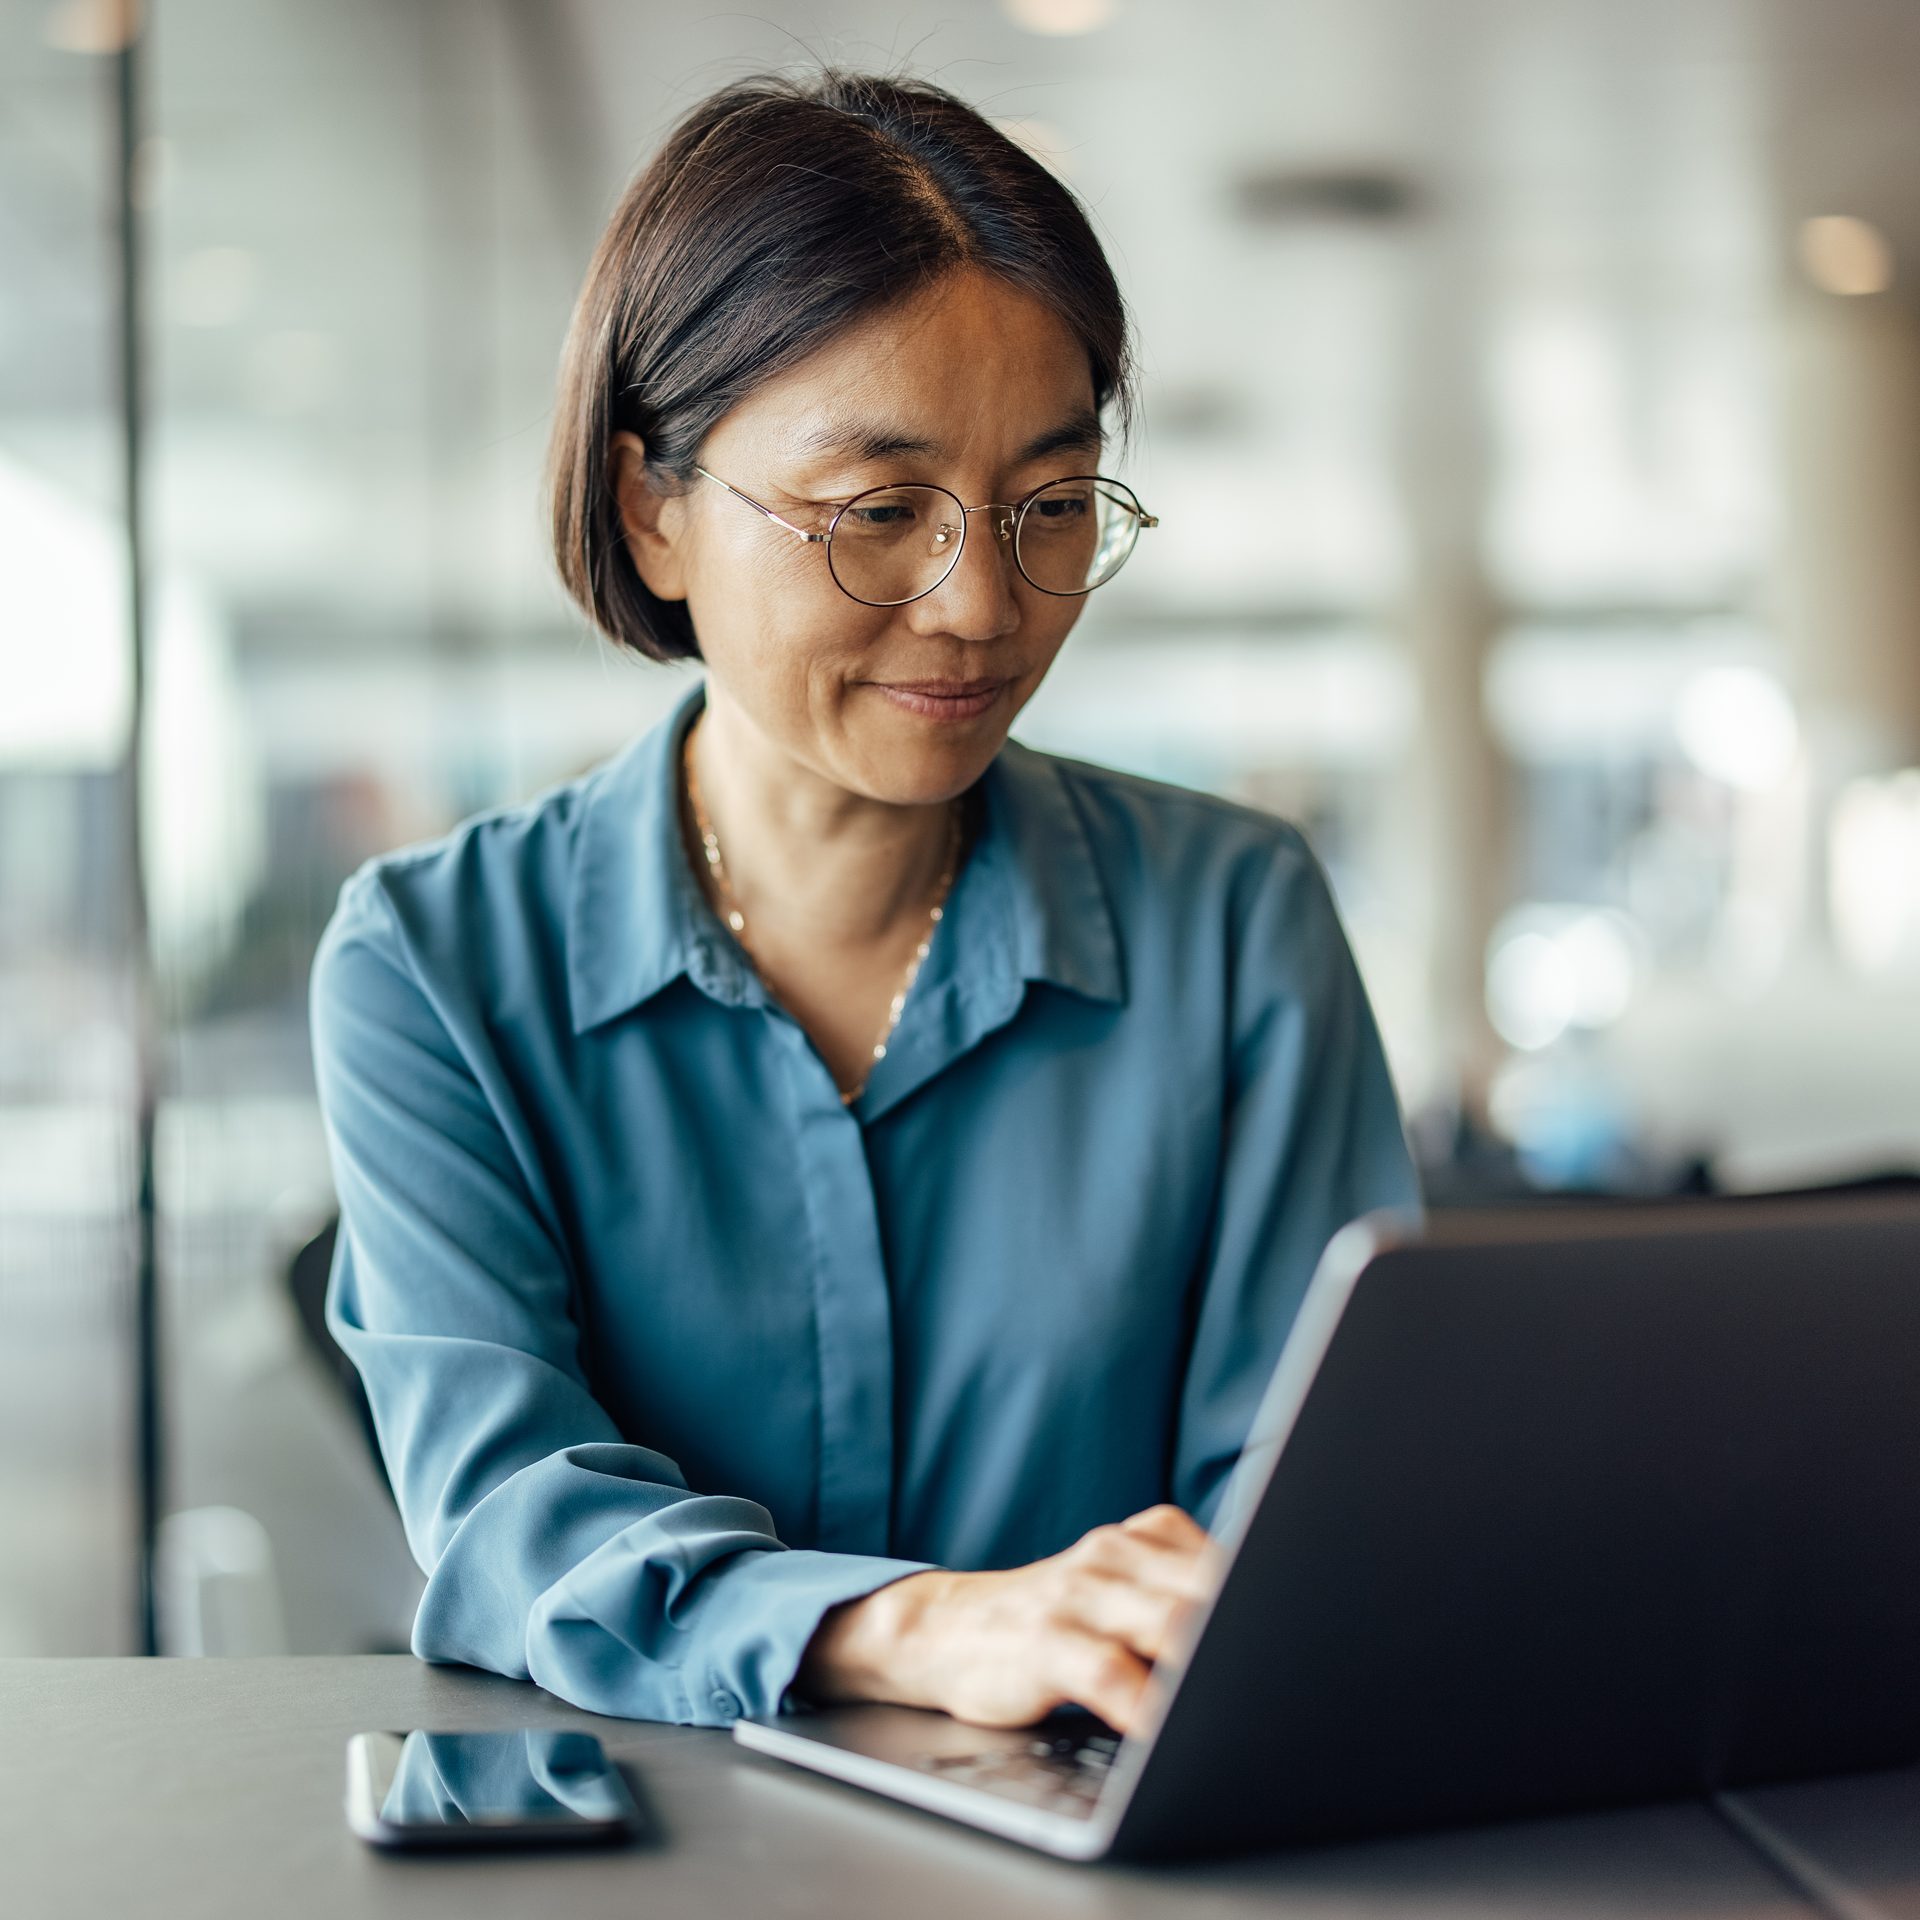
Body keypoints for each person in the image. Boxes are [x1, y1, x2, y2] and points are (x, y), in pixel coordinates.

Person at [309, 66, 1421, 1737]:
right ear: (653, 510)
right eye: (879, 513)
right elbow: (508, 1518)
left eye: (1049, 507)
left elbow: (1307, 1515)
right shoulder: (437, 967)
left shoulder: (1234, 919)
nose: (979, 603)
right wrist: (913, 1631)